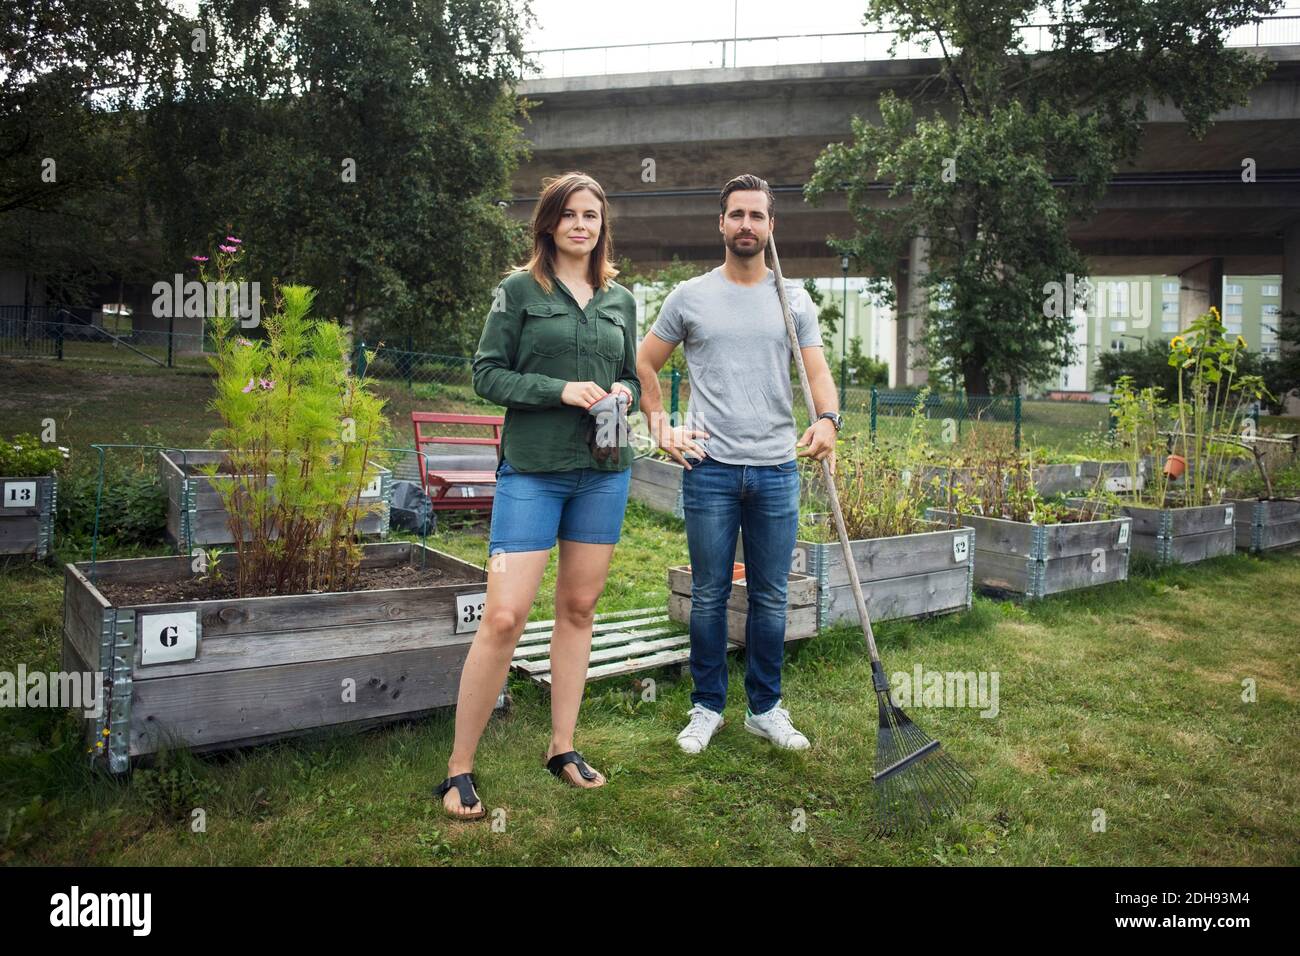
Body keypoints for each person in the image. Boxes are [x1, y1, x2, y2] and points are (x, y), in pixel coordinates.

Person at [434, 172, 640, 819]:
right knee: (504, 615)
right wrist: (558, 389)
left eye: (592, 215)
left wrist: (625, 392)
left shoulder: (620, 300)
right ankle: (458, 768)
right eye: (571, 214)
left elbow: (630, 370)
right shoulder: (518, 292)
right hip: (532, 471)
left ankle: (562, 746)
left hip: (603, 471)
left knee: (579, 607)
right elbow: (486, 374)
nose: (583, 224)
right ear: (549, 223)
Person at [635, 173, 841, 755]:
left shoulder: (792, 298)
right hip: (712, 470)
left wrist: (828, 420)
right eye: (737, 214)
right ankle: (707, 707)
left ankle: (765, 708)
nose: (746, 224)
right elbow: (644, 362)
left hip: (777, 469)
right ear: (720, 224)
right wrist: (659, 426)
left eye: (757, 215)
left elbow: (818, 372)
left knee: (771, 596)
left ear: (771, 227)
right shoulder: (690, 296)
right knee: (708, 594)